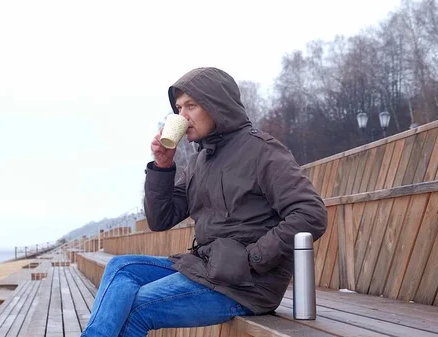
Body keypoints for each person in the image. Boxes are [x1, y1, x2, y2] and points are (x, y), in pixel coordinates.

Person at [80, 67, 328, 337]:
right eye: (178, 108)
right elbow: (160, 219)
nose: (182, 116)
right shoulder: (201, 161)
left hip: (245, 285)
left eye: (191, 106)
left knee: (138, 306)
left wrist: (252, 258)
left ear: (216, 106)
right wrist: (162, 166)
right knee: (122, 268)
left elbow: (310, 213)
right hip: (206, 268)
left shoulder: (263, 151)